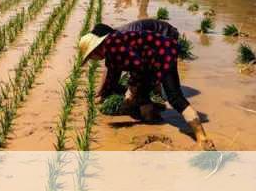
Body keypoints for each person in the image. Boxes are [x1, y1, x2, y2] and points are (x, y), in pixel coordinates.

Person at [78, 28, 216, 150]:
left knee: (175, 98)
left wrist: (132, 87)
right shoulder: (111, 46)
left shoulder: (112, 46)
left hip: (162, 55)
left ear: (96, 49)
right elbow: (113, 74)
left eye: (91, 56)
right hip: (155, 57)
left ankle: (202, 138)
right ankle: (150, 118)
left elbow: (137, 66)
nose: (93, 59)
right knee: (141, 93)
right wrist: (105, 93)